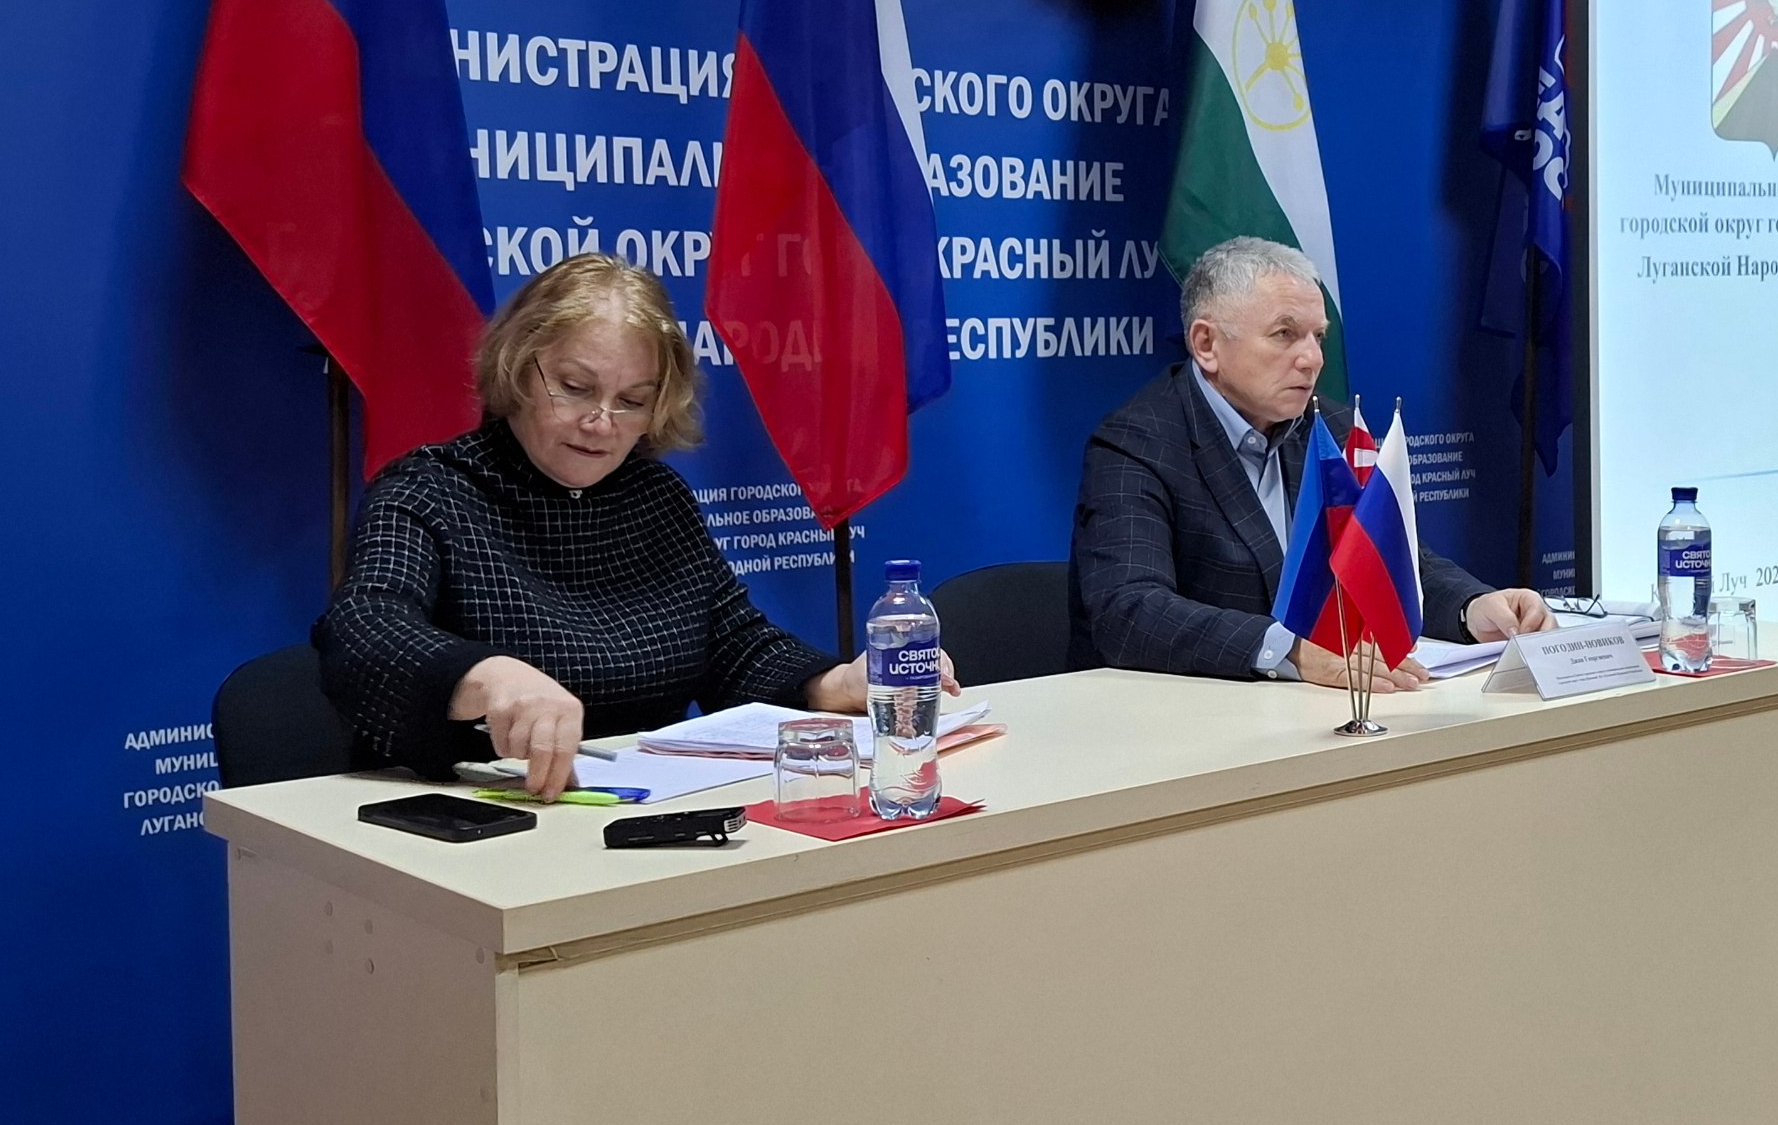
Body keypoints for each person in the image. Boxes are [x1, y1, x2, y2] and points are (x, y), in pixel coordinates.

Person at [316, 254, 953, 797]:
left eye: (631, 401)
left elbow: (732, 645)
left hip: (642, 813)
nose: (601, 422)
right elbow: (365, 630)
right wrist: (487, 676)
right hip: (479, 821)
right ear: (517, 365)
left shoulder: (655, 496)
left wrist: (835, 682)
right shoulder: (430, 489)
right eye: (574, 387)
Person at [1070, 237, 1550, 689]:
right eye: (1285, 334)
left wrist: (1473, 607)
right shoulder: (1138, 443)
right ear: (1206, 345)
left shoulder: (1333, 428)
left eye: (1318, 337)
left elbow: (1389, 562)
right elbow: (1129, 609)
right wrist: (1292, 652)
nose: (1312, 359)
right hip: (1186, 718)